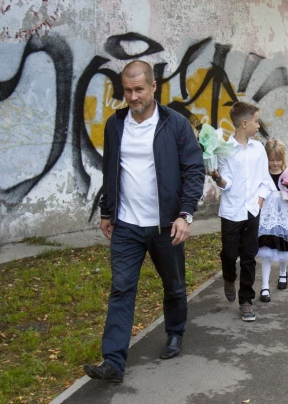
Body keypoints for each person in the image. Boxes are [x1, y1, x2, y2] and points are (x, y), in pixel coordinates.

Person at [83, 60, 205, 383]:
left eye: (139, 89)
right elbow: (112, 170)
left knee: (174, 284)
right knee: (121, 289)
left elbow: (195, 170)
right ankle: (113, 361)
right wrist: (107, 211)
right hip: (126, 226)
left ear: (153, 87)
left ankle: (175, 331)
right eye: (127, 90)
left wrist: (185, 214)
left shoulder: (175, 125)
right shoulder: (115, 125)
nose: (133, 96)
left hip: (166, 225)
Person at [209, 102, 274, 321]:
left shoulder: (258, 150)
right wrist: (217, 177)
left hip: (252, 210)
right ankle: (229, 277)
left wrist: (260, 201)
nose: (258, 125)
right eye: (256, 121)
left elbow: (265, 180)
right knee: (229, 254)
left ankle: (246, 300)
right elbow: (226, 184)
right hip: (231, 211)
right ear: (244, 123)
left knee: (248, 256)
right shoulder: (225, 149)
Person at [257, 139, 288, 302]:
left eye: (278, 159)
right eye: (271, 159)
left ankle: (283, 272)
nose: (275, 163)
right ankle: (264, 286)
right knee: (266, 250)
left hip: (284, 215)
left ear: (283, 158)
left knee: (284, 246)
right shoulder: (261, 174)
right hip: (267, 216)